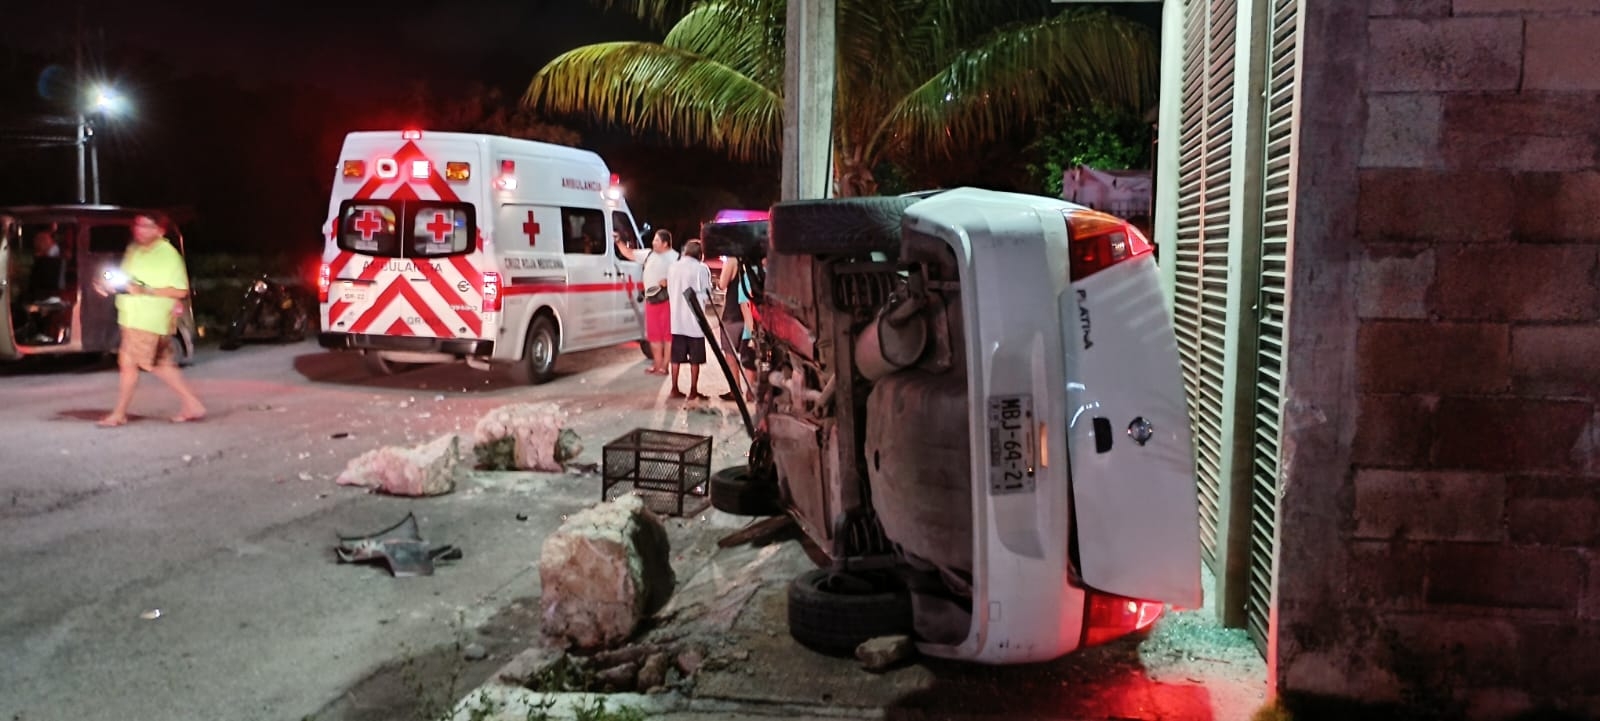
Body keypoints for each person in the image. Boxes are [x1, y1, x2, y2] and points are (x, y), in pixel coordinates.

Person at [94, 213, 206, 427]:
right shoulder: (133, 250)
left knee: (140, 364)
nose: (140, 230)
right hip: (131, 317)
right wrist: (109, 286)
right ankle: (191, 404)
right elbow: (128, 282)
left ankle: (120, 414)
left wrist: (146, 290)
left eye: (147, 226)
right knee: (147, 364)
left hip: (149, 320)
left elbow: (181, 290)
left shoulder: (168, 255)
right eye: (137, 225)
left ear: (160, 230)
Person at [666, 239, 713, 400]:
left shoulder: (673, 267)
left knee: (676, 357)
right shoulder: (701, 268)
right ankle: (693, 390)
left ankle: (674, 388)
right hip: (695, 323)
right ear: (700, 254)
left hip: (677, 321)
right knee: (695, 359)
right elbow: (707, 295)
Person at [635, 229, 677, 375]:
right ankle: (657, 364)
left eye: (657, 240)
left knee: (667, 336)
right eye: (654, 240)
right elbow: (629, 253)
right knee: (653, 335)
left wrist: (668, 281)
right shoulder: (649, 254)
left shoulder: (675, 257)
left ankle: (665, 366)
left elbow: (681, 280)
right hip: (651, 300)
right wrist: (619, 242)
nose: (653, 242)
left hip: (666, 301)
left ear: (665, 244)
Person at [715, 257, 751, 401]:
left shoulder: (732, 261)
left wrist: (718, 282)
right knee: (750, 354)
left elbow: (723, 284)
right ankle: (751, 390)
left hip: (733, 312)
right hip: (752, 311)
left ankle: (735, 389)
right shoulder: (752, 259)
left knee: (730, 354)